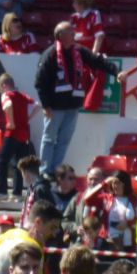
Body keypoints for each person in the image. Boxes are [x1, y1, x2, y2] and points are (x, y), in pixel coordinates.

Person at [34, 22, 118, 177]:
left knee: (64, 140)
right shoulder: (50, 54)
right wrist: (46, 106)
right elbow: (40, 82)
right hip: (55, 107)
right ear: (60, 36)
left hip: (72, 106)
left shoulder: (79, 51)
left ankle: (56, 169)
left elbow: (96, 61)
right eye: (71, 33)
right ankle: (45, 170)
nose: (74, 36)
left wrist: (116, 71)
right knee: (49, 138)